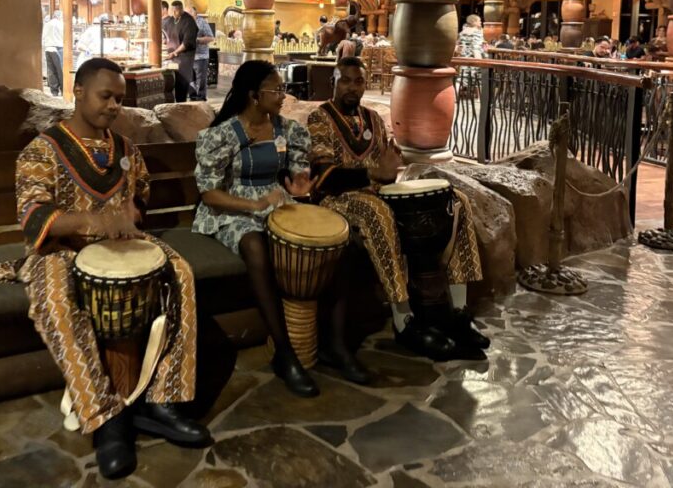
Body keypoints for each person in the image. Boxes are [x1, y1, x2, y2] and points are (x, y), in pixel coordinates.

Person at [0, 58, 208, 479]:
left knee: (179, 271)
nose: (113, 106)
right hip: (59, 250)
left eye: (120, 99)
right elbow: (34, 218)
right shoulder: (41, 151)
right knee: (53, 295)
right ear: (80, 92)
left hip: (120, 247)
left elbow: (140, 196)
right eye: (105, 96)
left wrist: (132, 213)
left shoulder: (126, 150)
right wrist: (95, 221)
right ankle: (105, 418)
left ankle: (164, 401)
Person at [308, 58, 488, 362]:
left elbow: (387, 175)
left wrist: (389, 170)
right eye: (346, 80)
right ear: (333, 83)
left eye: (359, 81)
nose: (353, 87)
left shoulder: (374, 120)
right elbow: (324, 176)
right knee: (378, 213)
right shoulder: (319, 119)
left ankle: (456, 312)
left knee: (455, 200)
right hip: (337, 200)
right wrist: (373, 174)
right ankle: (404, 320)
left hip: (376, 195)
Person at [193, 61, 350, 398]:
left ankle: (336, 344)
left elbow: (296, 179)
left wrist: (298, 186)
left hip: (273, 205)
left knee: (327, 245)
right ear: (253, 95)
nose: (283, 95)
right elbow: (209, 193)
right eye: (276, 90)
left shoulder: (286, 130)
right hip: (230, 210)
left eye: (282, 89)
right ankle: (285, 352)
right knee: (254, 244)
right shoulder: (222, 135)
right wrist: (252, 206)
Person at [168, 0, 198, 103]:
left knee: (182, 85)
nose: (172, 13)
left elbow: (187, 43)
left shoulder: (189, 21)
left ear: (180, 9)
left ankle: (181, 106)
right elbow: (167, 35)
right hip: (172, 57)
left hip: (185, 58)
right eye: (171, 11)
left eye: (174, 11)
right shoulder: (171, 20)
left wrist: (175, 52)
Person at [187, 5, 214, 101]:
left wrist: (197, 40)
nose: (188, 15)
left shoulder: (202, 22)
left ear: (195, 13)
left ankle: (201, 97)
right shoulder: (185, 23)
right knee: (190, 79)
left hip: (201, 56)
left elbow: (211, 37)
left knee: (200, 79)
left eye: (190, 12)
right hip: (188, 57)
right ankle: (192, 96)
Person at [42, 10, 64, 97]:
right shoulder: (61, 24)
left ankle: (54, 92)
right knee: (61, 70)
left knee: (51, 70)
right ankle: (63, 90)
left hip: (48, 48)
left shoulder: (47, 24)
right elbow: (65, 36)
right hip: (59, 48)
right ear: (60, 16)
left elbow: (43, 37)